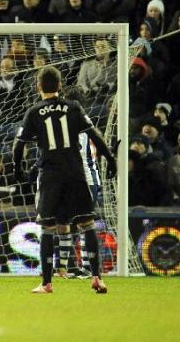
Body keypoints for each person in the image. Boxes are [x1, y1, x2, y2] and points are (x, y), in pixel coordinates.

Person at [12, 66, 116, 294]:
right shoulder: (73, 107)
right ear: (60, 85)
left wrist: (17, 170)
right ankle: (97, 277)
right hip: (75, 173)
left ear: (38, 86)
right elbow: (94, 134)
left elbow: (19, 145)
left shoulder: (34, 111)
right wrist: (110, 158)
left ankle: (47, 282)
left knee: (48, 227)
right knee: (86, 224)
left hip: (51, 175)